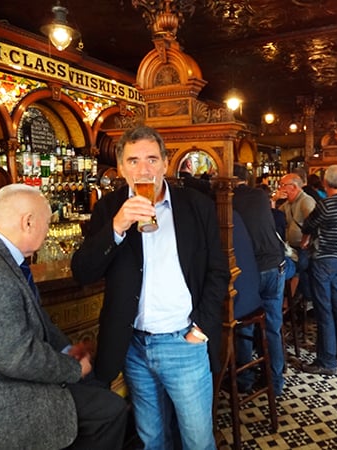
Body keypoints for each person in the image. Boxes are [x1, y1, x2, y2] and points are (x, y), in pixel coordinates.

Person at [0, 184, 128, 450]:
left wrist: (67, 350)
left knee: (98, 389)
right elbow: (17, 358)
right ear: (29, 222)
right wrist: (73, 368)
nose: (46, 232)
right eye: (47, 223)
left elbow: (37, 318)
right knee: (109, 410)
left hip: (3, 381)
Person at [71, 126, 230, 450]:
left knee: (198, 442)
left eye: (152, 159)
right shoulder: (108, 209)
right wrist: (116, 227)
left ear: (166, 164)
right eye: (133, 160)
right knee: (151, 439)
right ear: (120, 168)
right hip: (133, 347)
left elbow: (218, 271)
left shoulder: (196, 205)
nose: (143, 169)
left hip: (183, 343)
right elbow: (82, 272)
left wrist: (199, 329)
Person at [232, 164, 286, 396]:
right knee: (272, 326)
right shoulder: (261, 196)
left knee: (243, 324)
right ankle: (275, 382)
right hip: (276, 265)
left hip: (251, 270)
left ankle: (244, 380)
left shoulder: (226, 201)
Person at [300, 165, 337, 376]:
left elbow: (308, 226)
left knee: (323, 309)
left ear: (325, 182)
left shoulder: (325, 205)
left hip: (323, 259)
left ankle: (326, 360)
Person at [275, 172, 317, 300]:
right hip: (290, 247)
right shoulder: (288, 203)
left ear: (293, 187)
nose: (279, 188)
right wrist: (274, 200)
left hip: (303, 248)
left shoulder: (306, 201)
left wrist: (306, 241)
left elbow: (313, 224)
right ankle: (293, 299)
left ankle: (302, 300)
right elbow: (273, 216)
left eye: (282, 185)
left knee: (299, 267)